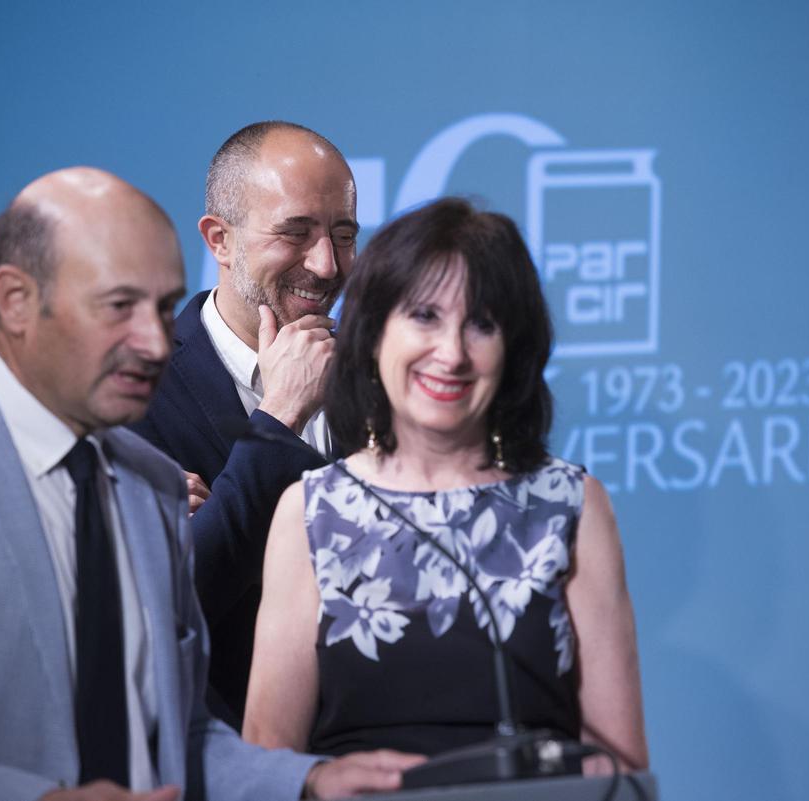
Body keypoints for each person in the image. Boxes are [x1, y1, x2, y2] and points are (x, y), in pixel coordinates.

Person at [0, 167, 420, 800]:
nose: (154, 341)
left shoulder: (146, 483)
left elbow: (180, 734)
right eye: (119, 306)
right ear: (15, 301)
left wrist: (306, 779)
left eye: (160, 306)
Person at [241, 198, 650, 771]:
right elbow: (268, 766)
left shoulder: (570, 505)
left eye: (482, 324)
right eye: (426, 317)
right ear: (375, 333)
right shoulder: (312, 511)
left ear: (513, 350)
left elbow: (618, 766)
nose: (452, 354)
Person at [132, 121, 357, 728]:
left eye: (343, 234)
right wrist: (279, 419)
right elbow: (168, 609)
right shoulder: (136, 394)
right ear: (220, 239)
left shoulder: (378, 378)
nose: (327, 264)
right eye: (296, 232)